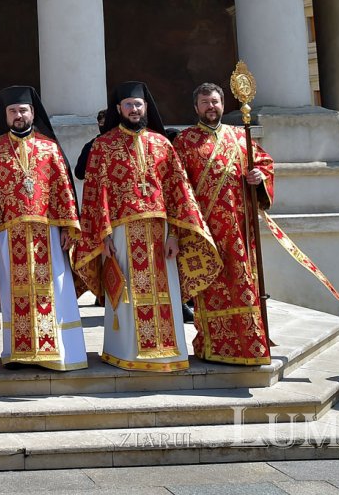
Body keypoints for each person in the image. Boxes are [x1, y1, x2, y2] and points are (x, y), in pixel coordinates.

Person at [73, 81, 221, 372]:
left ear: (146, 108)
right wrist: (102, 235)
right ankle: (125, 351)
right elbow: (94, 194)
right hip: (120, 233)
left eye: (138, 105)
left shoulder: (162, 143)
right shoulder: (103, 147)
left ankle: (166, 352)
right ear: (119, 109)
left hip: (160, 232)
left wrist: (176, 234)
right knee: (126, 294)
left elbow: (178, 191)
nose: (134, 109)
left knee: (164, 291)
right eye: (128, 104)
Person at [0, 85, 86, 370]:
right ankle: (18, 352)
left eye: (23, 110)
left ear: (33, 113)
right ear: (5, 116)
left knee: (53, 290)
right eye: (13, 112)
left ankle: (58, 352)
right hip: (9, 233)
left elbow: (64, 188)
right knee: (13, 292)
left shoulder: (50, 147)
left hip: (49, 233)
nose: (18, 115)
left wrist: (70, 227)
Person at [173, 83, 273, 366]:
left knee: (243, 284)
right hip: (204, 230)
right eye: (204, 102)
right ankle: (213, 345)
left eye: (215, 101)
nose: (210, 107)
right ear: (196, 108)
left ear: (223, 104)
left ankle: (251, 345)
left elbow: (264, 164)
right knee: (212, 288)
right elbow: (177, 186)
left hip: (239, 229)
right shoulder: (184, 142)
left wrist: (258, 178)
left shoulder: (240, 137)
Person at [73, 110, 105, 181]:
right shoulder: (90, 146)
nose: (104, 126)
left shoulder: (124, 145)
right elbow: (79, 173)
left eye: (106, 123)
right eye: (101, 123)